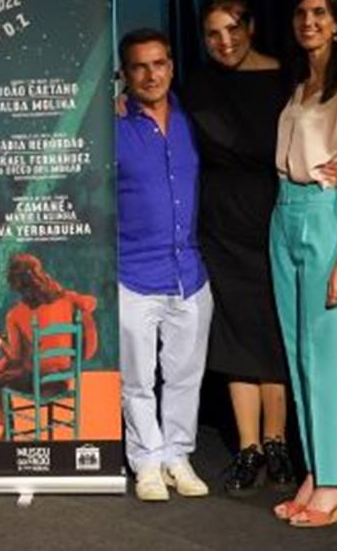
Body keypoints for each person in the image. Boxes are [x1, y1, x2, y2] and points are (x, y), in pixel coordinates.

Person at [182, 0, 298, 496]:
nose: (224, 41)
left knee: (273, 330)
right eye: (213, 33)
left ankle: (278, 442)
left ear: (251, 27)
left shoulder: (286, 78)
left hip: (274, 217)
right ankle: (249, 447)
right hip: (220, 223)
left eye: (232, 29)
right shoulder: (198, 84)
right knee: (233, 332)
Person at [268, 0, 337, 528]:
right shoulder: (299, 89)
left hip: (326, 216)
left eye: (319, 13)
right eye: (301, 13)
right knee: (299, 353)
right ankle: (316, 471)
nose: (308, 22)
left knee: (328, 356)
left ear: (336, 24)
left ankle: (336, 481)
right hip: (284, 211)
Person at [113, 28, 213, 502]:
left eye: (158, 64)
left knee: (185, 376)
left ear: (171, 67)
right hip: (132, 274)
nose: (150, 75)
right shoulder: (111, 126)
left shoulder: (194, 121)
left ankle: (177, 456)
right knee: (137, 380)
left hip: (189, 273)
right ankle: (147, 462)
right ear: (125, 74)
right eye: (139, 66)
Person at [0, 253, 98, 439]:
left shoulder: (16, 314)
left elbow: (14, 357)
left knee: (0, 382)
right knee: (25, 356)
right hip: (62, 382)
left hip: (39, 384)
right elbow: (91, 303)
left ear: (16, 285)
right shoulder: (67, 299)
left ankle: (6, 431)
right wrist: (69, 300)